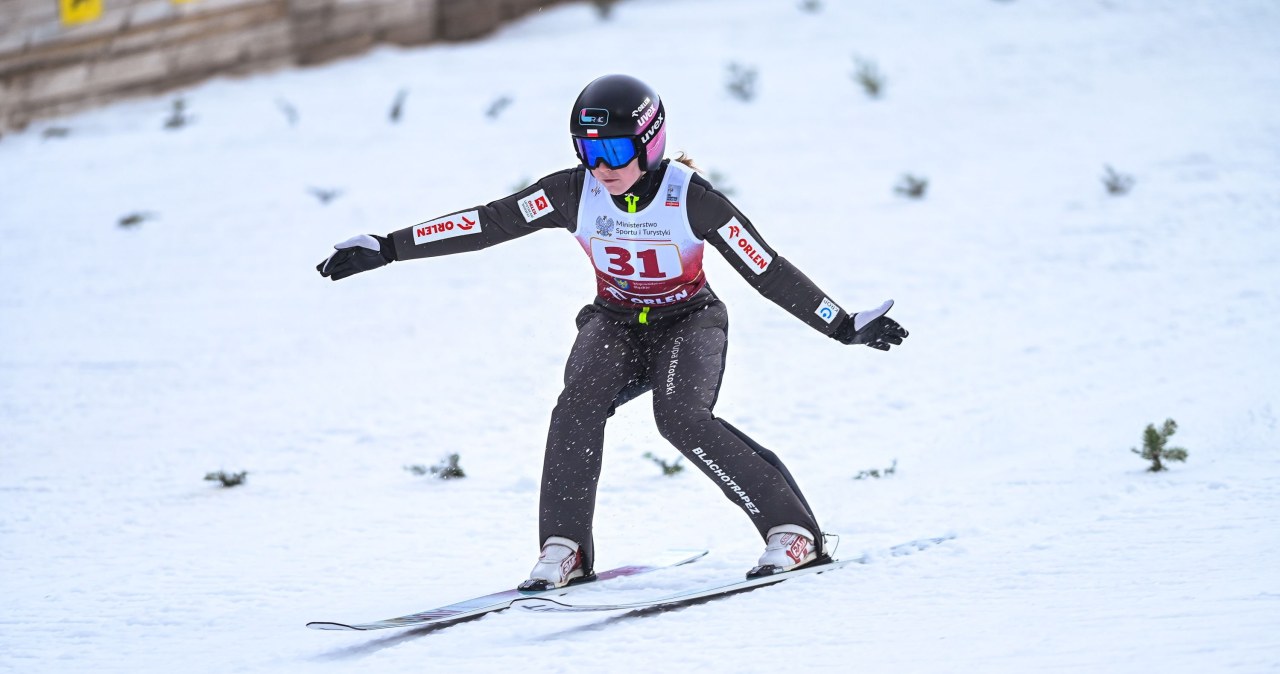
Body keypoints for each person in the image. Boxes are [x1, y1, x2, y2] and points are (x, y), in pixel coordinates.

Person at [317, 74, 908, 590]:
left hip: (690, 323)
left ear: (651, 144)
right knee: (575, 407)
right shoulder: (573, 191)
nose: (601, 167)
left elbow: (767, 270)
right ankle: (566, 547)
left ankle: (791, 529)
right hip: (616, 322)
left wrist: (843, 325)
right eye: (587, 150)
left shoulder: (692, 200)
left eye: (617, 150)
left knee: (681, 418)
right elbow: (487, 221)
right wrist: (388, 248)